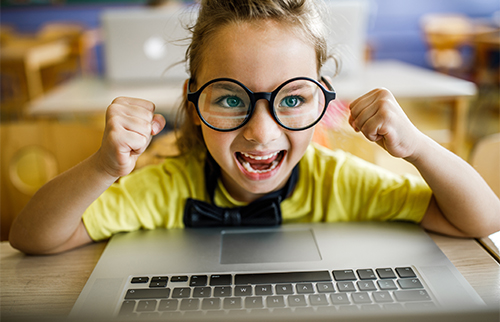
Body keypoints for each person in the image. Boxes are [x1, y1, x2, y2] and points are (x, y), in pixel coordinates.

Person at [9, 0, 500, 255]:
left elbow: (481, 221)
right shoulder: (165, 189)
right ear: (192, 104)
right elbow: (32, 239)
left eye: (291, 99)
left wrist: (418, 149)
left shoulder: (340, 182)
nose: (261, 133)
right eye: (229, 98)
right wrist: (100, 168)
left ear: (322, 102)